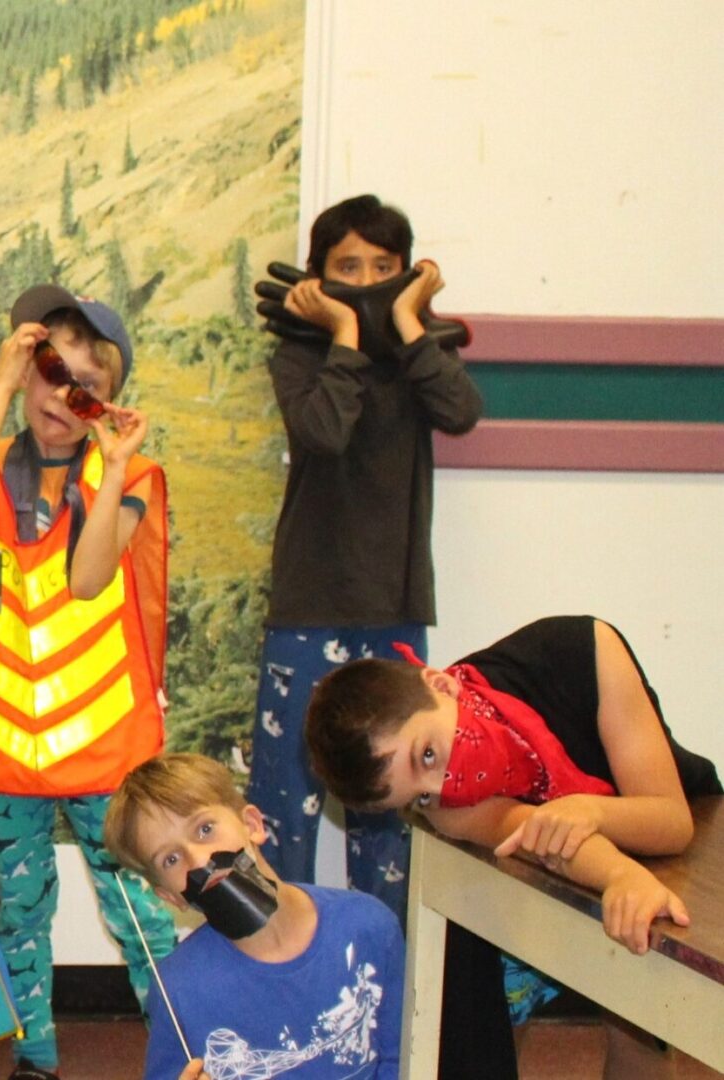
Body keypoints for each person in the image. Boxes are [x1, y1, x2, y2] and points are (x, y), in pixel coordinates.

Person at [0, 284, 176, 1080]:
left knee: (137, 906)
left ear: (108, 401)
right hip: (7, 741)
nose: (58, 397)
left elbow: (91, 577)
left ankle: (185, 1042)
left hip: (100, 739)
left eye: (84, 387)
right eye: (45, 371)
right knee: (21, 908)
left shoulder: (129, 477)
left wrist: (112, 469)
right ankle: (34, 1055)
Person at [306, 615, 721, 1077]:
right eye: (420, 794)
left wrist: (593, 814)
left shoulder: (582, 650)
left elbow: (671, 819)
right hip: (555, 869)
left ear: (441, 685)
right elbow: (544, 840)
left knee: (640, 1020)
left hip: (666, 837)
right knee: (478, 1006)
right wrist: (618, 874)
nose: (443, 782)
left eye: (426, 753)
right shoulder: (446, 805)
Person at [247, 193, 483, 919]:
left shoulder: (422, 355)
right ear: (317, 277)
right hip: (310, 603)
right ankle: (274, 958)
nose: (368, 278)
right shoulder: (299, 354)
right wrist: (346, 333)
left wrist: (408, 325)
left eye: (385, 267)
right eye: (347, 266)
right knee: (284, 803)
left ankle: (388, 971)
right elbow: (323, 433)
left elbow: (462, 413)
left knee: (394, 801)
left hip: (395, 605)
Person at [105, 752, 403, 1080]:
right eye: (171, 860)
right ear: (170, 896)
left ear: (252, 825)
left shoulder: (368, 927)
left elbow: (406, 1059)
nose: (200, 859)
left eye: (205, 829)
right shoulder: (178, 989)